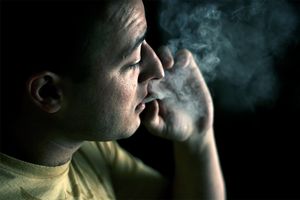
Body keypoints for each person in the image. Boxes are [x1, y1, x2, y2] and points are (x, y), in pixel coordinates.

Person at [0, 0, 225, 199]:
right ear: (49, 92)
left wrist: (198, 138)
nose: (158, 68)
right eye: (134, 60)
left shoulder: (88, 148)